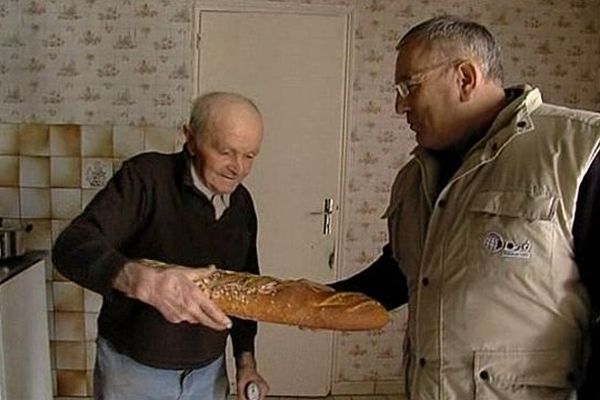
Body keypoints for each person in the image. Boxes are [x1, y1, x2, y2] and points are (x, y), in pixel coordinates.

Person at [332, 15, 600, 400]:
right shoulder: (414, 178)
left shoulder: (579, 152)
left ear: (465, 78)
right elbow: (399, 275)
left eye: (409, 86)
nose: (398, 105)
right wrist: (299, 299)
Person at [52, 92, 270, 400]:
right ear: (190, 139)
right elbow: (70, 245)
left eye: (250, 156)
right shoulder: (145, 178)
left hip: (209, 374)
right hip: (133, 374)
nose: (239, 168)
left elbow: (247, 285)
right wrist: (141, 280)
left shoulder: (242, 202)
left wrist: (245, 361)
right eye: (226, 152)